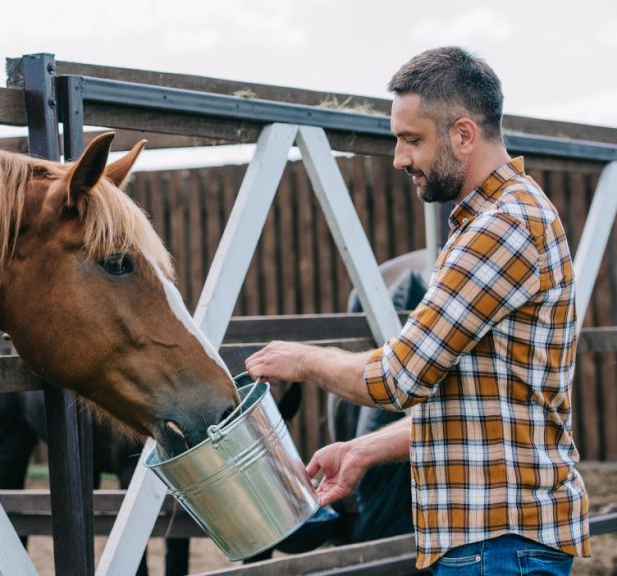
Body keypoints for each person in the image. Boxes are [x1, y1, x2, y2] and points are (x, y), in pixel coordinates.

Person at [246, 46, 590, 575]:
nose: (399, 158)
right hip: (496, 544)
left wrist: (305, 359)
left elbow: (398, 378)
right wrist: (364, 449)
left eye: (412, 140)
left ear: (463, 135)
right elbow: (478, 408)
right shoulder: (498, 221)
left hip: (496, 548)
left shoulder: (502, 227)